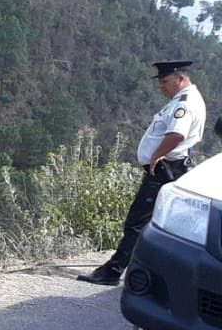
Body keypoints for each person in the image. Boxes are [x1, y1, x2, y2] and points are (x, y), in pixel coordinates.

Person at [78, 60, 206, 285]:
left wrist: (156, 155)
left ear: (181, 78)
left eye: (165, 81)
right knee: (159, 225)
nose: (162, 86)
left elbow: (177, 134)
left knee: (137, 223)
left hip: (166, 169)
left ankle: (112, 271)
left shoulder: (184, 103)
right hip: (171, 168)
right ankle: (154, 274)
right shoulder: (185, 100)